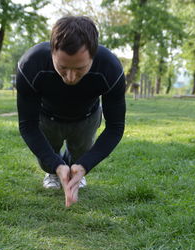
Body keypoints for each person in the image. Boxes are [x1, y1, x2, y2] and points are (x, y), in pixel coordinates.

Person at [16, 16, 126, 207]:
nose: (70, 77)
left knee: (80, 156)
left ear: (93, 56)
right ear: (52, 52)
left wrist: (84, 165)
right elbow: (28, 126)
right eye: (63, 67)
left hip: (87, 117)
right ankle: (55, 171)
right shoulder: (30, 65)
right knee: (47, 161)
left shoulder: (110, 68)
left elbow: (115, 128)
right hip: (47, 116)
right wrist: (56, 165)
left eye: (80, 68)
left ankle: (74, 166)